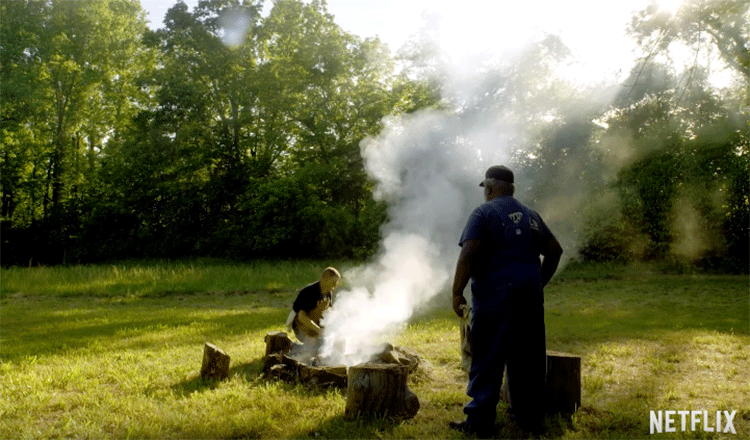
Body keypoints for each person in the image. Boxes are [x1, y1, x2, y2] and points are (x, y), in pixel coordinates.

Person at [449, 165, 562, 436]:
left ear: (488, 187)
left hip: (495, 299)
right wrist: (538, 283)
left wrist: (456, 292)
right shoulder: (531, 216)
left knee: (487, 356)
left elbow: (468, 254)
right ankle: (529, 418)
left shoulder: (483, 213)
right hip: (529, 299)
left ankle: (479, 422)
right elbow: (555, 251)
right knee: (528, 358)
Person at [285, 267, 341, 351]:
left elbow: (327, 313)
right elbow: (301, 317)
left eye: (336, 282)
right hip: (301, 326)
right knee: (319, 348)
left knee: (332, 344)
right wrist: (319, 331)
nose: (335, 284)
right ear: (324, 279)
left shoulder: (328, 291)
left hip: (316, 324)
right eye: (333, 282)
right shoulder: (309, 292)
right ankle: (292, 346)